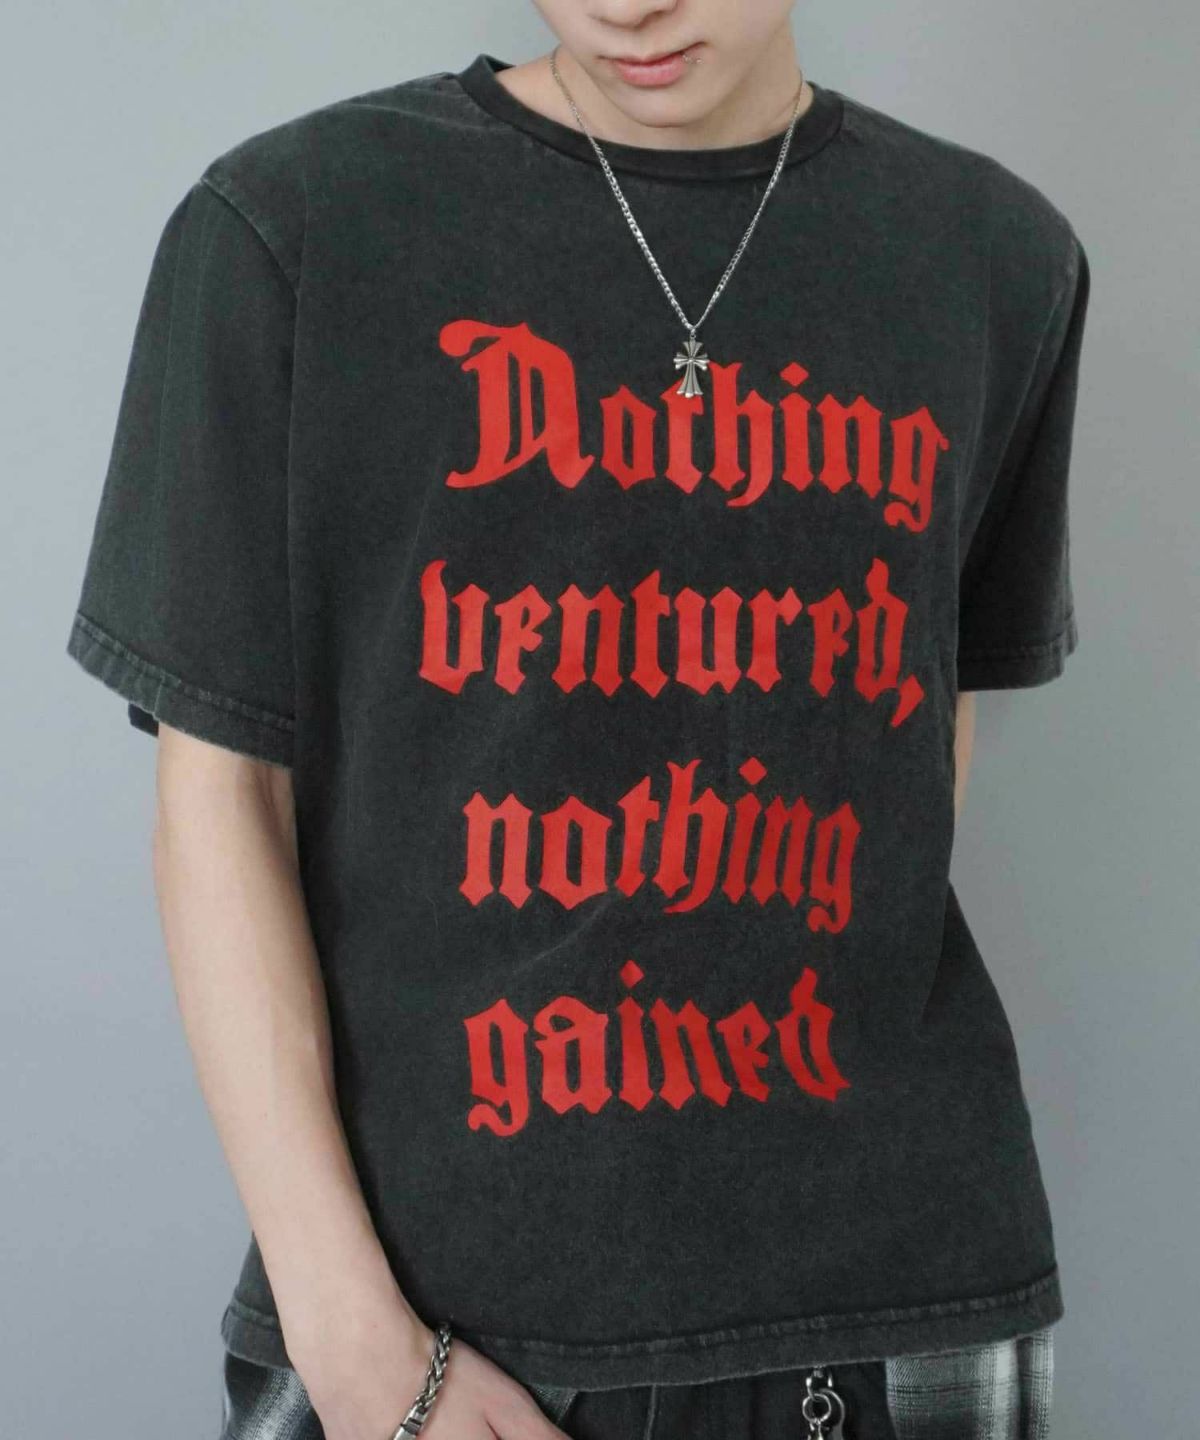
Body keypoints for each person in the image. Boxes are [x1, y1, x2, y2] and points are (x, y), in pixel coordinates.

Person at [65, 2, 1090, 1437]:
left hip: (901, 1299)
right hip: (441, 1316)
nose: (626, 2)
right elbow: (218, 802)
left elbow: (915, 756)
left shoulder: (997, 260)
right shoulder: (291, 232)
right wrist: (352, 1336)